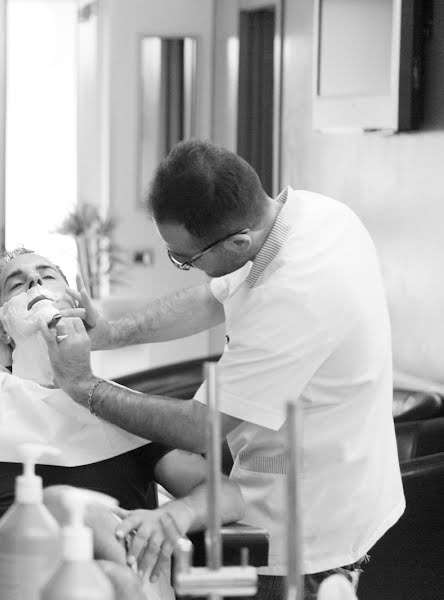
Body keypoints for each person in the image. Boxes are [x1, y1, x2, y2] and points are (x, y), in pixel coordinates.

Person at [39, 140, 404, 599]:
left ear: (237, 242)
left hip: (305, 530)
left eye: (185, 259)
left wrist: (84, 386)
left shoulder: (296, 297)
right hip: (332, 477)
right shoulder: (314, 215)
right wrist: (108, 334)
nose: (184, 268)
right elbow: (212, 295)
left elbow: (201, 428)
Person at [0, 248, 246, 600]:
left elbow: (230, 496)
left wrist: (177, 515)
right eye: (18, 283)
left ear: (77, 307)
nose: (36, 282)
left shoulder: (122, 408)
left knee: (91, 538)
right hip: (9, 579)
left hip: (120, 572)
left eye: (47, 275)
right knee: (65, 508)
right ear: (4, 332)